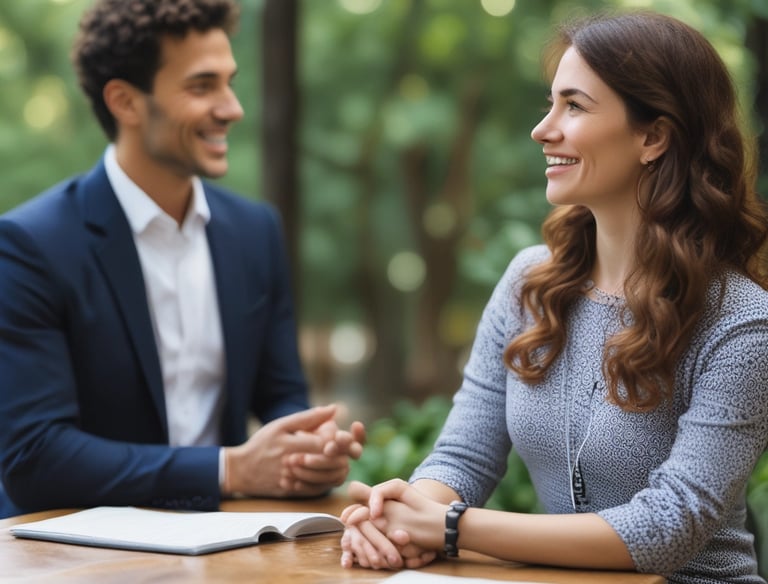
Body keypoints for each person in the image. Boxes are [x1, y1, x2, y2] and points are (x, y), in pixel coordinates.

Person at [340, 10, 768, 583]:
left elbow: (669, 526)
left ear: (654, 136)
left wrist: (448, 526)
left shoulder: (741, 325)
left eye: (574, 106)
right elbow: (463, 455)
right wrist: (404, 518)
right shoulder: (529, 283)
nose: (544, 129)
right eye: (551, 103)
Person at [0, 0, 365, 519]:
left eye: (229, 81)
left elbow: (283, 394)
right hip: (75, 553)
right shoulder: (31, 244)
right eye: (202, 86)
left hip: (224, 545)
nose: (232, 107)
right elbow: (35, 458)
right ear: (125, 101)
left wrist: (307, 448)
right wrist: (230, 469)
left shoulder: (255, 231)